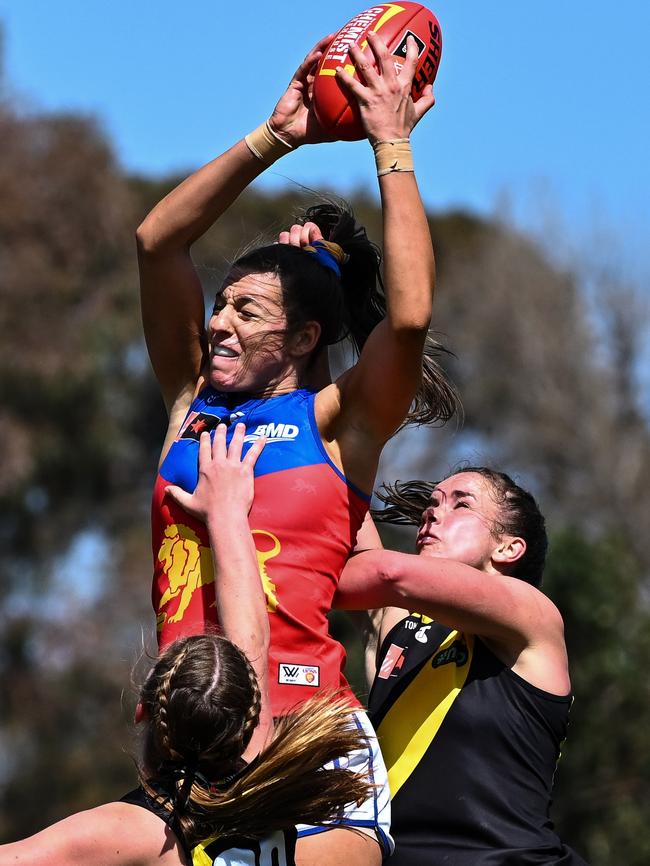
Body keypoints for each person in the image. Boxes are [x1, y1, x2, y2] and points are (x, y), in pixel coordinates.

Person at [137, 31, 457, 864]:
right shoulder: (190, 409)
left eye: (246, 310)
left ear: (306, 335)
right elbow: (157, 242)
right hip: (193, 744)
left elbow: (412, 319)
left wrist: (391, 142)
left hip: (308, 744)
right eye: (221, 305)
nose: (217, 322)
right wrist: (274, 136)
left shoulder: (337, 424)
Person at [0, 425, 373, 866]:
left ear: (154, 714)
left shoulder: (136, 834)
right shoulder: (338, 814)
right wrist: (229, 511)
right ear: (254, 717)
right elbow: (251, 637)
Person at [334, 468, 589, 865]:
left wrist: (283, 576)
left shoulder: (532, 615)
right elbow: (340, 498)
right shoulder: (398, 621)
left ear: (508, 548)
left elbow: (385, 572)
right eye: (433, 503)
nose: (432, 514)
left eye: (461, 504)